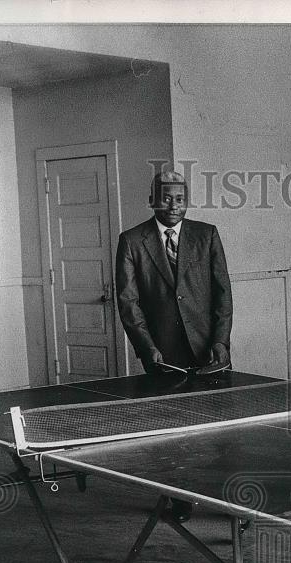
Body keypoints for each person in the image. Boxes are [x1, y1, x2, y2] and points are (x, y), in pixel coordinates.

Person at [115, 170, 233, 520]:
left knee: (220, 428)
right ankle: (180, 499)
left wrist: (221, 341)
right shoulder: (132, 240)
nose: (173, 205)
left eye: (179, 198)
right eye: (166, 197)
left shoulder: (207, 235)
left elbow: (223, 294)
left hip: (210, 351)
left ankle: (229, 503)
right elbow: (128, 302)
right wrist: (146, 347)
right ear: (152, 199)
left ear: (187, 200)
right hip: (162, 356)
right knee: (172, 433)